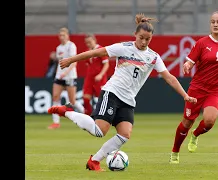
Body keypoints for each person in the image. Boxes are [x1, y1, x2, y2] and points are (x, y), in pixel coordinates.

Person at [47, 13, 197, 171]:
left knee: (125, 134)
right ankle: (68, 112)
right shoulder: (123, 47)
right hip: (112, 93)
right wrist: (71, 59)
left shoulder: (153, 57)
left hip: (128, 100)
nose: (144, 42)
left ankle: (94, 161)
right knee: (99, 131)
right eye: (141, 38)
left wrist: (185, 96)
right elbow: (95, 53)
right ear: (135, 35)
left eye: (148, 39)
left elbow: (170, 78)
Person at [169, 11, 218, 164]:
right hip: (197, 88)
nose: (215, 24)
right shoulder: (202, 43)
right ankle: (175, 152)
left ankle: (195, 135)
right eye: (212, 21)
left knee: (209, 121)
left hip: (216, 90)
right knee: (186, 123)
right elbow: (190, 61)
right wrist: (187, 65)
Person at [48, 27, 85, 129]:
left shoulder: (71, 46)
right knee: (55, 97)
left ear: (67, 36)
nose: (61, 37)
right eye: (60, 35)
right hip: (59, 76)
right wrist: (58, 72)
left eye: (63, 35)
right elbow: (59, 63)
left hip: (70, 76)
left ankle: (88, 116)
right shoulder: (58, 48)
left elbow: (74, 62)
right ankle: (56, 122)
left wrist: (66, 73)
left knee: (72, 101)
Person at [82, 34, 109, 115]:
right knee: (86, 99)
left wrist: (100, 74)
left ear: (94, 40)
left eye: (90, 42)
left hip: (100, 79)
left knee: (100, 99)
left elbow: (106, 64)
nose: (88, 44)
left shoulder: (100, 50)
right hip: (89, 78)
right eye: (87, 43)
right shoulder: (88, 51)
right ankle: (89, 118)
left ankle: (102, 116)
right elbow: (88, 64)